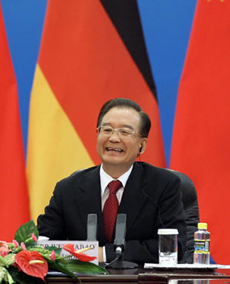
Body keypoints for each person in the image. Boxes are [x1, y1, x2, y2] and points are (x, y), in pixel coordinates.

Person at [37, 98, 186, 264]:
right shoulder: (67, 189)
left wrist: (104, 254)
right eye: (107, 130)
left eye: (125, 132)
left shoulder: (163, 185)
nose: (114, 138)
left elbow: (173, 247)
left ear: (142, 145)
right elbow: (42, 244)